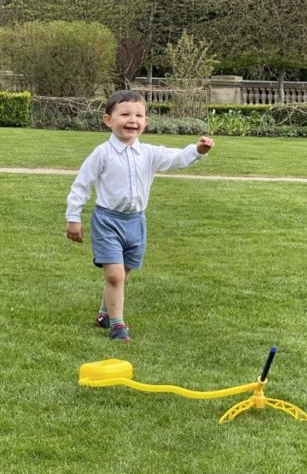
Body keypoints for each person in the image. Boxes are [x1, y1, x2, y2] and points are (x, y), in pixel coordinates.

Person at [65, 90, 214, 342]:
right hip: (107, 222)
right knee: (115, 275)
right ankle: (118, 326)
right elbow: (82, 184)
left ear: (146, 122)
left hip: (136, 222)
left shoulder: (149, 154)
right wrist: (73, 217)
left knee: (123, 273)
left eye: (138, 115)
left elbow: (176, 158)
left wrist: (197, 150)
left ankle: (104, 314)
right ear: (108, 120)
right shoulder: (102, 153)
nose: (132, 120)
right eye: (124, 114)